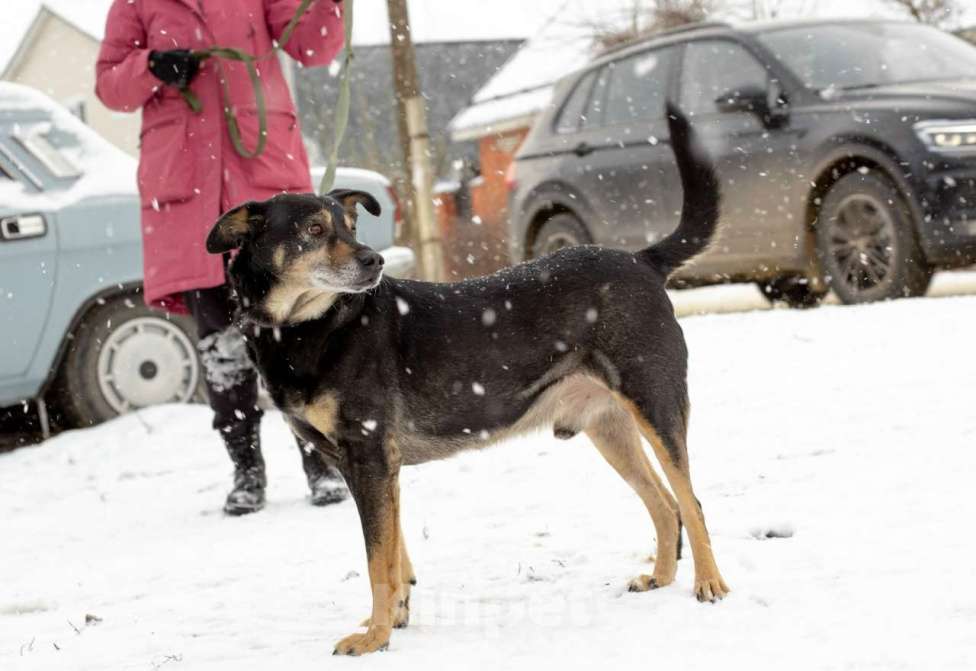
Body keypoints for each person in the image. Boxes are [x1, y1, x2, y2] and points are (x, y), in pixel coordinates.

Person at [95, 0, 348, 515]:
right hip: (188, 194)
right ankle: (246, 470)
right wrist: (151, 67)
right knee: (223, 346)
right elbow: (108, 86)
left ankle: (321, 462)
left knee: (299, 335)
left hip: (265, 181)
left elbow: (314, 45)